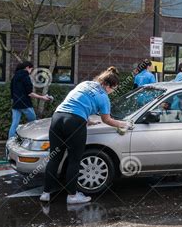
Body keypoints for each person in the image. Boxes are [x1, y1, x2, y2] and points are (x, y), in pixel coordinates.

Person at [40, 67, 130, 204]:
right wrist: (123, 124)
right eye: (113, 89)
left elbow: (75, 103)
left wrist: (87, 120)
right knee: (74, 160)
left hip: (58, 117)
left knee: (55, 157)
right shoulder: (104, 97)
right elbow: (107, 120)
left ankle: (45, 193)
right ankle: (72, 196)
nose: (112, 92)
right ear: (107, 85)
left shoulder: (85, 84)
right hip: (75, 123)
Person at [9, 61, 51, 138]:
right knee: (33, 121)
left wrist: (13, 101)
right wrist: (43, 97)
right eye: (31, 69)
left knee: (14, 123)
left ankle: (10, 140)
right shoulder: (26, 77)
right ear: (27, 68)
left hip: (15, 104)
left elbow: (11, 91)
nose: (31, 71)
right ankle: (30, 139)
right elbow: (30, 93)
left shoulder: (14, 77)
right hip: (25, 104)